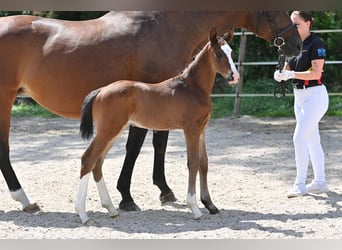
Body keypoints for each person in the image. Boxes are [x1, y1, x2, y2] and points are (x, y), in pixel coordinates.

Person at [273, 11, 329, 198]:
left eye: (296, 24)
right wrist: (281, 74)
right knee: (313, 140)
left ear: (308, 24)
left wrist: (291, 75)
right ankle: (320, 182)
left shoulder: (316, 43)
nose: (292, 27)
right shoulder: (293, 44)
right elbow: (287, 67)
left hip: (315, 95)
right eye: (291, 24)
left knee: (299, 138)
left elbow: (316, 73)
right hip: (299, 97)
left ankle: (300, 184)